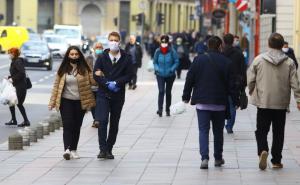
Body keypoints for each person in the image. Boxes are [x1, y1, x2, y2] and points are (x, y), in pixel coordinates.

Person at [182, 36, 238, 169]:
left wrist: (186, 95)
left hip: (202, 102)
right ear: (220, 46)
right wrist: (235, 100)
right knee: (218, 131)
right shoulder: (226, 62)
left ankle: (204, 158)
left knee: (203, 130)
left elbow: (190, 78)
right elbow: (232, 85)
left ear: (208, 46)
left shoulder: (198, 60)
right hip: (219, 103)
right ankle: (218, 158)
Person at [247, 33, 300, 170]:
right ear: (283, 45)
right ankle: (276, 160)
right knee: (278, 132)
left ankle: (262, 150)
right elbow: (295, 83)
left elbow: (250, 78)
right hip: (281, 103)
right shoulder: (289, 62)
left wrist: (252, 90)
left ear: (269, 44)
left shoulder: (259, 60)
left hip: (263, 101)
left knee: (261, 130)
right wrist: (298, 99)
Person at [48, 46, 96, 160]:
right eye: (71, 54)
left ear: (79, 55)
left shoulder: (85, 68)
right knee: (68, 124)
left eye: (76, 54)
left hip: (80, 102)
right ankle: (67, 150)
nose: (74, 56)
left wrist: (99, 74)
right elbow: (56, 86)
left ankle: (74, 149)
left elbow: (94, 82)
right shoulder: (63, 68)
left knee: (76, 126)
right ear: (68, 56)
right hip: (66, 101)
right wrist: (52, 102)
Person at [93, 31, 133, 160]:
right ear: (108, 41)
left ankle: (109, 149)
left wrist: (117, 82)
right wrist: (106, 83)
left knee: (114, 123)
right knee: (102, 121)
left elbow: (129, 75)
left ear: (119, 42)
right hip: (103, 93)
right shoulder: (102, 57)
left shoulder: (126, 57)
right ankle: (102, 149)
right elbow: (96, 74)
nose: (113, 42)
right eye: (111, 40)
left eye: (116, 40)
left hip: (118, 94)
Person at [223, 33, 247, 134]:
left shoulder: (220, 53)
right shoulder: (239, 54)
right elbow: (243, 70)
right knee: (232, 106)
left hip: (222, 83)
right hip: (235, 83)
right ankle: (229, 126)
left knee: (221, 105)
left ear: (224, 41)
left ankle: (221, 124)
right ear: (233, 41)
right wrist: (243, 85)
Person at [153, 35, 179, 117]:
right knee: (161, 91)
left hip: (170, 75)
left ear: (168, 42)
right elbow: (155, 62)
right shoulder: (157, 51)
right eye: (162, 42)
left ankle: (167, 109)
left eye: (165, 42)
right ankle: (160, 110)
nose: (164, 43)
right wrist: (157, 69)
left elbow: (176, 61)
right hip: (160, 74)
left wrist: (172, 69)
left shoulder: (172, 51)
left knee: (168, 92)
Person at [4, 48, 30, 127]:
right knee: (11, 102)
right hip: (17, 86)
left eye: (10, 53)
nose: (9, 55)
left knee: (19, 103)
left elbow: (22, 73)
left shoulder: (18, 61)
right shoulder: (14, 61)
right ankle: (14, 120)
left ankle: (26, 121)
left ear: (13, 54)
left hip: (20, 87)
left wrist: (13, 79)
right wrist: (9, 77)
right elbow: (16, 72)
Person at [86, 42, 104, 128]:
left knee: (100, 103)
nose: (98, 49)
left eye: (100, 47)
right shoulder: (89, 58)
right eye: (97, 47)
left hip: (101, 85)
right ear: (93, 49)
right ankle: (95, 119)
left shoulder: (105, 57)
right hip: (91, 85)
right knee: (93, 104)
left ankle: (97, 120)